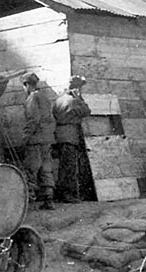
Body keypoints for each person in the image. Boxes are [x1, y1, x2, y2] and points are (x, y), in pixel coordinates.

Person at [52, 75, 92, 203]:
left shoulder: (59, 100)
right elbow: (87, 111)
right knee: (69, 167)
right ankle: (68, 195)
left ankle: (62, 194)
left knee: (63, 166)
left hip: (60, 135)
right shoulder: (73, 101)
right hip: (70, 136)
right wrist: (79, 98)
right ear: (76, 88)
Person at [21, 72, 56, 210]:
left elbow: (33, 120)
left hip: (35, 140)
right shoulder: (45, 97)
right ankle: (49, 199)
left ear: (27, 85)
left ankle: (29, 202)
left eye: (24, 86)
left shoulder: (32, 98)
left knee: (31, 169)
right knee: (46, 169)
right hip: (47, 139)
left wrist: (25, 137)